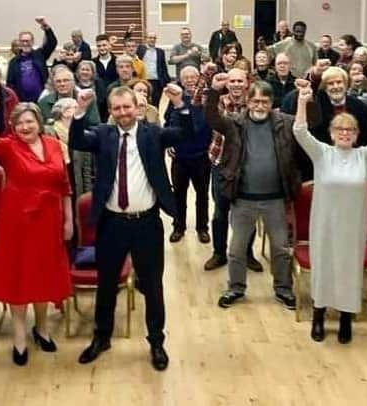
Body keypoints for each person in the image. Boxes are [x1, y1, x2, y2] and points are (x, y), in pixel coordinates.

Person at [70, 84, 192, 371]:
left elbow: (185, 133)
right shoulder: (102, 135)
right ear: (110, 111)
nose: (123, 113)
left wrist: (180, 104)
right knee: (107, 284)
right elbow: (77, 140)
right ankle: (102, 337)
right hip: (111, 223)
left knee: (152, 285)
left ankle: (156, 342)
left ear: (137, 107)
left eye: (127, 107)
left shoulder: (153, 133)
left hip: (146, 223)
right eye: (117, 108)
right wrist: (79, 111)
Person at [293, 83, 367, 344]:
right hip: (324, 223)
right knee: (324, 267)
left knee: (349, 270)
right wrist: (303, 101)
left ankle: (347, 317)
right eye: (340, 129)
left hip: (353, 225)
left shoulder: (364, 156)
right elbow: (300, 131)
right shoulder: (322, 154)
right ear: (331, 133)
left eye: (350, 130)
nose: (345, 133)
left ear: (357, 134)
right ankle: (318, 315)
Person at [0, 97, 72, 366]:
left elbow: (64, 186)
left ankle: (42, 328)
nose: (25, 126)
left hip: (49, 219)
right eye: (19, 123)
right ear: (13, 126)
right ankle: (19, 335)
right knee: (19, 275)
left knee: (44, 273)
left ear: (38, 122)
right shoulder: (9, 147)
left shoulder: (55, 145)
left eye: (29, 121)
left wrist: (69, 221)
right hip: (16, 221)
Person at [205, 77, 300, 310]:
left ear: (272, 103)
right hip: (243, 198)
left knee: (280, 248)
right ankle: (235, 288)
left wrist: (307, 95)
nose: (259, 106)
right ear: (248, 102)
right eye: (255, 101)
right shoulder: (234, 123)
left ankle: (283, 289)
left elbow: (314, 122)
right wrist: (214, 91)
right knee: (236, 249)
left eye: (264, 102)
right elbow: (211, 118)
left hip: (276, 199)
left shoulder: (285, 122)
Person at [166, 66, 212, 244]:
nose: (190, 80)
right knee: (178, 194)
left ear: (198, 77)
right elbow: (168, 121)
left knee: (202, 194)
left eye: (193, 77)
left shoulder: (205, 98)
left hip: (201, 156)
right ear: (181, 80)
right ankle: (178, 227)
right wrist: (169, 142)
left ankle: (202, 228)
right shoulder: (175, 98)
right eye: (186, 77)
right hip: (180, 157)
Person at [6, 17, 57, 102]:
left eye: (28, 41)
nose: (25, 43)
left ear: (32, 42)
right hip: (21, 101)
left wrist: (45, 26)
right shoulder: (13, 62)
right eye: (23, 41)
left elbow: (52, 43)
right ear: (19, 42)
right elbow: (10, 85)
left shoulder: (40, 55)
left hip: (41, 100)